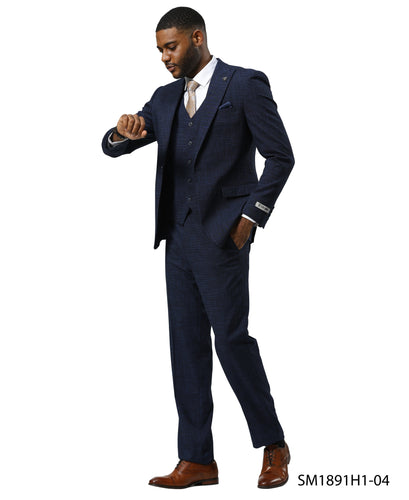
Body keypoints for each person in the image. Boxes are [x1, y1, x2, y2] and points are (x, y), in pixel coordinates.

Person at [101, 6, 294, 490]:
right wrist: (120, 132)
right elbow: (116, 144)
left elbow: (280, 156)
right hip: (178, 239)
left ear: (197, 38)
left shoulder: (244, 84)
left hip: (225, 237)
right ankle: (197, 459)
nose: (164, 57)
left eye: (171, 47)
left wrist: (250, 218)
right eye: (159, 50)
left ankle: (273, 445)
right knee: (186, 347)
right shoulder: (164, 98)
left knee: (231, 341)